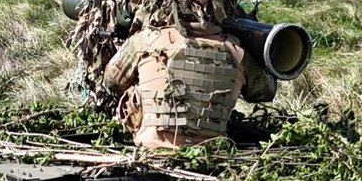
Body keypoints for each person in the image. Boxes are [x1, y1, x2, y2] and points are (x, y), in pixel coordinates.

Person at [103, 21, 276, 149]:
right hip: (210, 154)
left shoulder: (145, 40)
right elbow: (265, 92)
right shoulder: (236, 51)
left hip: (152, 150)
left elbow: (111, 82)